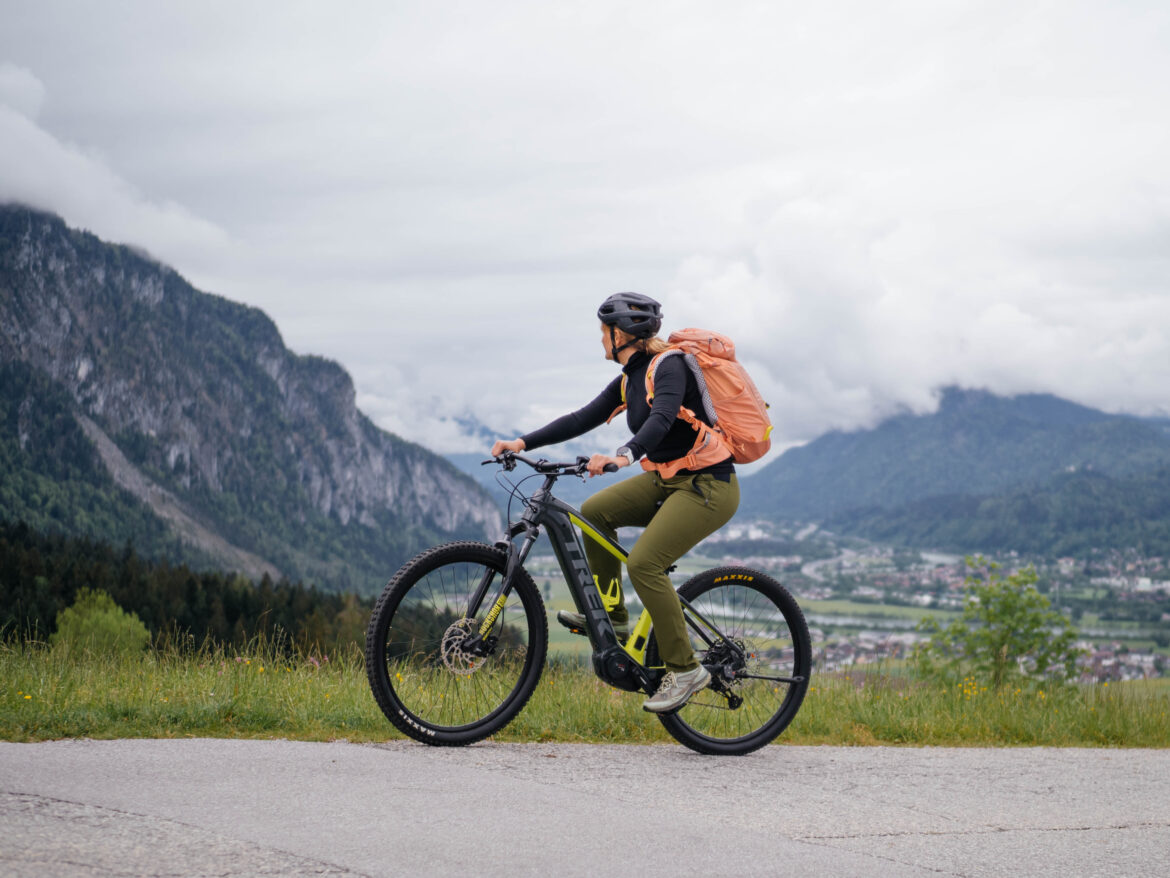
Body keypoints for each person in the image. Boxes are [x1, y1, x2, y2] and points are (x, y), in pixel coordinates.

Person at [490, 292, 740, 713]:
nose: (600, 340)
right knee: (594, 513)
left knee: (644, 563)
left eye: (602, 332)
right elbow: (582, 417)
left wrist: (624, 455)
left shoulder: (670, 365)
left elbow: (662, 417)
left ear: (620, 333)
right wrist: (522, 441)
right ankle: (613, 616)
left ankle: (685, 670)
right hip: (668, 480)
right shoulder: (630, 377)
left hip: (708, 487)